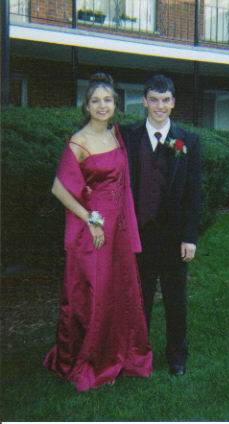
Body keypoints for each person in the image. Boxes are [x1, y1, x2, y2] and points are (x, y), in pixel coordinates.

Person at [44, 73, 152, 392]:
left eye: (107, 100)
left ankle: (118, 351)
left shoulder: (116, 135)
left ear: (115, 104)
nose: (102, 106)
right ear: (86, 106)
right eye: (95, 100)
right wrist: (90, 219)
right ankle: (90, 358)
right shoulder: (79, 141)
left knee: (119, 291)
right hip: (92, 230)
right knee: (94, 293)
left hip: (116, 228)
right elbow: (59, 188)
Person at [122, 74, 201, 376]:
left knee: (175, 299)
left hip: (173, 237)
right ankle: (138, 355)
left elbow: (194, 193)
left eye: (165, 100)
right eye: (153, 99)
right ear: (144, 101)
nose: (159, 106)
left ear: (173, 103)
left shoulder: (187, 141)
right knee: (138, 301)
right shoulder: (128, 137)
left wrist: (190, 237)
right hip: (138, 235)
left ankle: (177, 355)